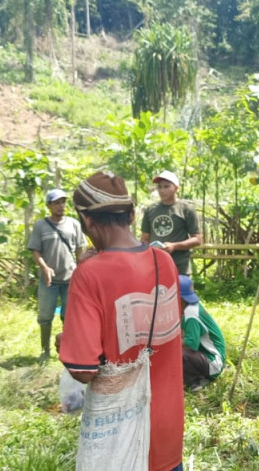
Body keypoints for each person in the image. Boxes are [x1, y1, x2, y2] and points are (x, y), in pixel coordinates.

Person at [59, 171, 184, 471]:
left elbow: (83, 370)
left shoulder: (89, 275)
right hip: (166, 427)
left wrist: (64, 342)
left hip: (121, 434)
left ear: (86, 220)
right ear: (130, 215)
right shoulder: (163, 261)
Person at [27, 188, 87, 363]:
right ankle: (45, 350)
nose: (61, 206)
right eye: (56, 203)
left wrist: (81, 270)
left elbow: (79, 250)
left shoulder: (74, 224)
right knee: (45, 317)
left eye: (63, 202)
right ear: (49, 206)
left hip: (70, 279)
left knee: (69, 317)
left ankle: (68, 350)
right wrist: (44, 267)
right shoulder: (41, 226)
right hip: (49, 280)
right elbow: (35, 251)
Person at [141, 170, 202, 276]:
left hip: (179, 267)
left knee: (180, 291)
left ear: (176, 188)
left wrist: (174, 246)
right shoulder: (150, 210)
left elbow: (197, 239)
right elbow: (144, 239)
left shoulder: (186, 209)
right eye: (159, 187)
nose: (162, 190)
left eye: (166, 186)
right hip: (155, 266)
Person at [178, 275, 226, 392]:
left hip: (213, 362)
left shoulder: (191, 314)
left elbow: (191, 344)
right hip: (206, 356)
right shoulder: (190, 307)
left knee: (178, 352)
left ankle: (194, 382)